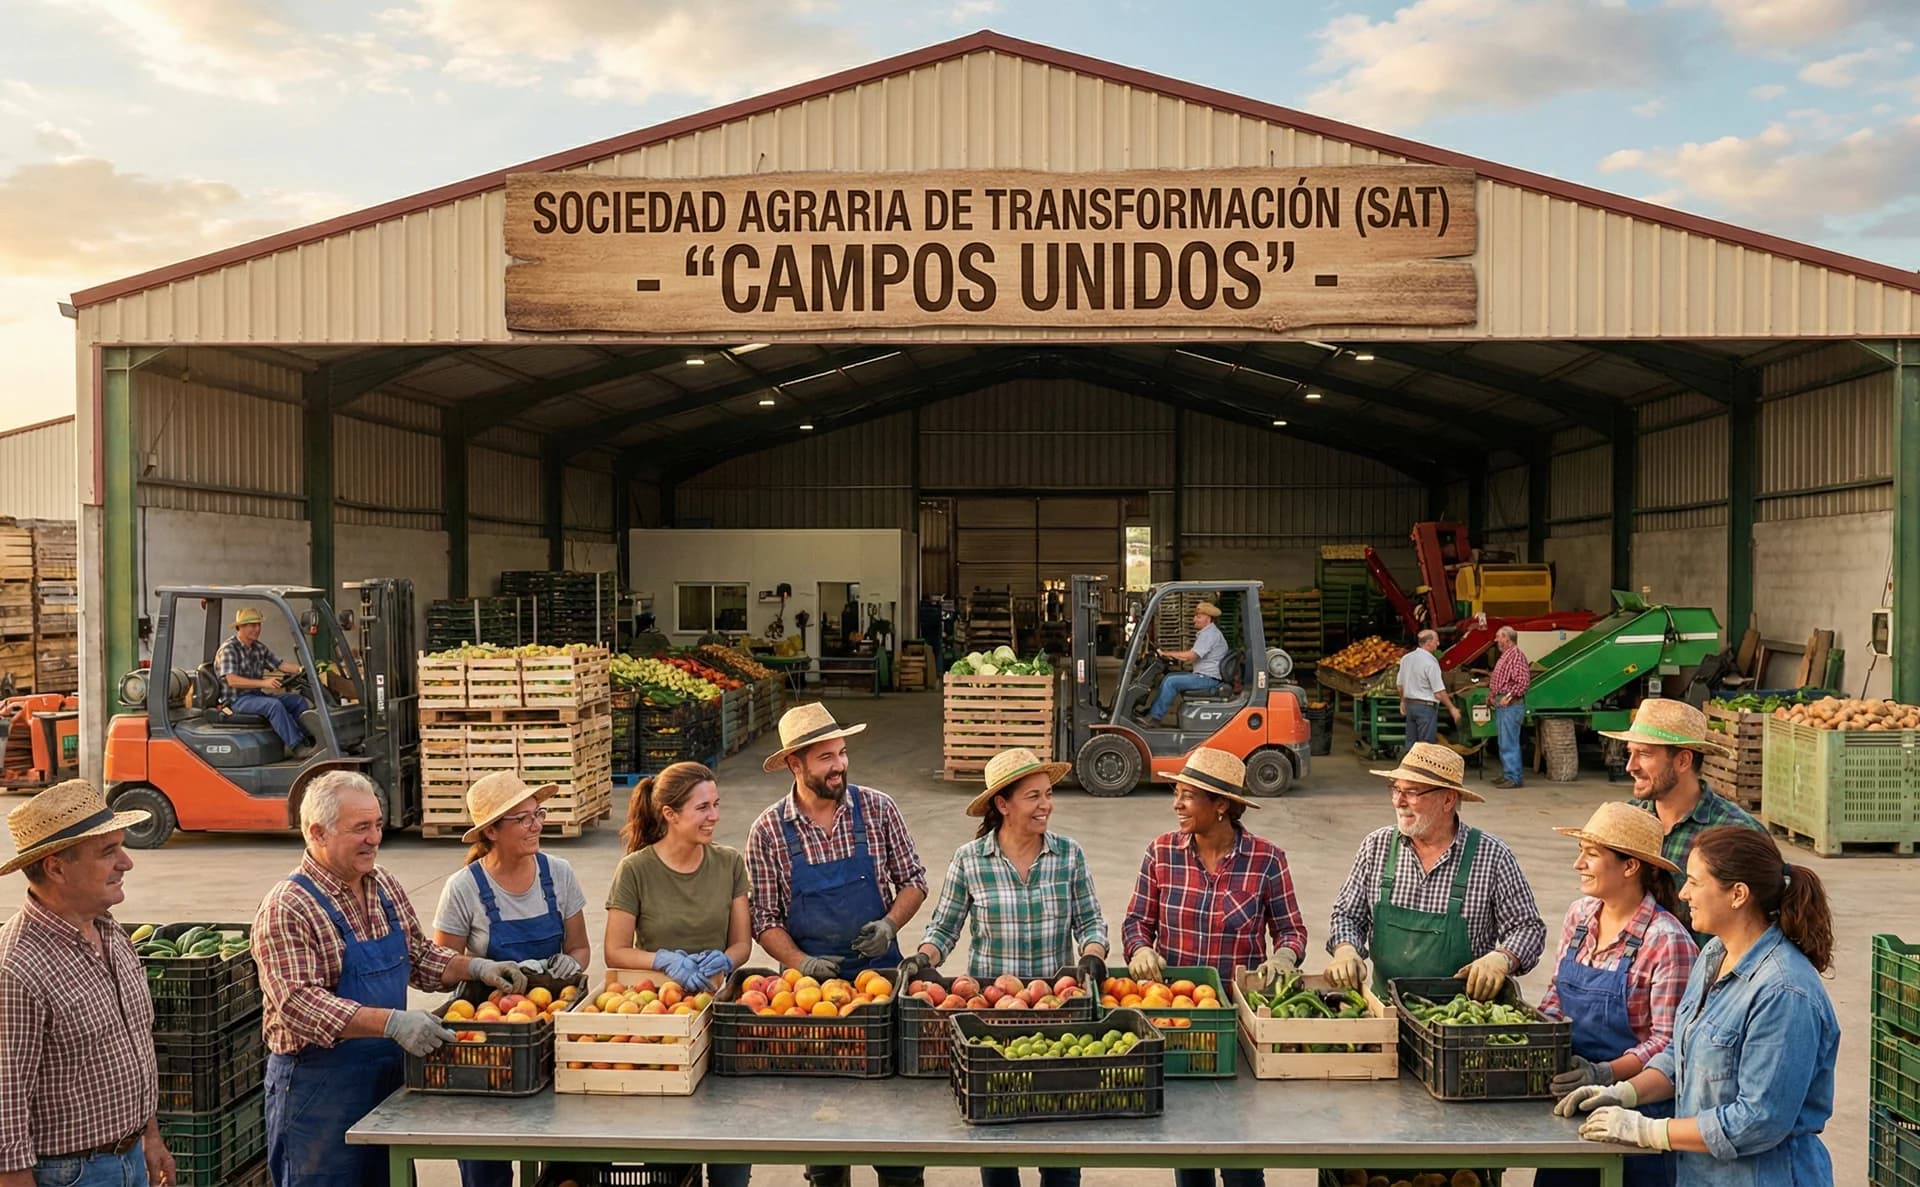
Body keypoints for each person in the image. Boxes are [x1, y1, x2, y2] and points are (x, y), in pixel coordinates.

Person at [254, 770, 528, 1187]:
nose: (374, 838)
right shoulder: (289, 906)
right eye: (360, 828)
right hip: (318, 1095)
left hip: (385, 1085)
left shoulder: (382, 886)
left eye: (378, 825)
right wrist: (392, 1022)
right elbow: (298, 1003)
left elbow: (418, 955)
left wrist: (475, 967)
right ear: (317, 832)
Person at [1556, 826, 1839, 1184]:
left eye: (1694, 882)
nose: (1684, 893)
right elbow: (1680, 1055)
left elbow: (1758, 1120)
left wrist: (1651, 1131)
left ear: (1737, 894)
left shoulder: (1784, 992)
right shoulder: (1713, 955)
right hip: (1700, 1174)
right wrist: (1622, 1093)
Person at [905, 747, 1106, 1187]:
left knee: (1059, 1146)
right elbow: (944, 929)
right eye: (1033, 796)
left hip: (1057, 1016)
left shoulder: (1068, 855)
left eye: (1048, 794)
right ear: (1003, 803)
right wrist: (923, 958)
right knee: (997, 1142)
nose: (1045, 805)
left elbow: (1091, 921)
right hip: (990, 1020)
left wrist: (1092, 953)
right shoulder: (970, 860)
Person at [746, 704, 928, 1187]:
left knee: (898, 1147)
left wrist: (889, 925)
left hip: (882, 990)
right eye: (826, 758)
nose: (840, 765)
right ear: (795, 764)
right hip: (812, 1006)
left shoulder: (878, 809)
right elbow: (763, 919)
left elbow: (913, 880)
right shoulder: (768, 832)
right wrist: (800, 961)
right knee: (825, 1147)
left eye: (842, 753)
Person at [1121, 747, 1304, 1187]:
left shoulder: (1266, 860)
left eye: (1188, 796)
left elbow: (1291, 930)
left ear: (1221, 805)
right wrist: (1139, 951)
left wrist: (1284, 957)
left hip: (1237, 1025)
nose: (1176, 804)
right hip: (1175, 1019)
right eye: (1176, 794)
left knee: (1241, 1154)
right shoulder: (1162, 853)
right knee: (1191, 1148)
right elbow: (1136, 922)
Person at [0, 779, 174, 1187]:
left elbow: (131, 1043)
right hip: (70, 1174)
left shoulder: (109, 930)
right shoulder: (17, 967)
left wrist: (149, 1136)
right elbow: (4, 1111)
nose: (126, 863)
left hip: (129, 1156)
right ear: (56, 866)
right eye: (108, 852)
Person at [432, 772, 591, 1187]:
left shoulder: (558, 874)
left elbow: (580, 949)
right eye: (522, 819)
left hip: (552, 1030)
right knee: (487, 1161)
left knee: (565, 1157)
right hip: (490, 1044)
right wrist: (483, 969)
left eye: (537, 814)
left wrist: (570, 967)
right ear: (490, 831)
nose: (536, 825)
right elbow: (442, 965)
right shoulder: (463, 889)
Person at [603, 761, 752, 1187]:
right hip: (660, 1024)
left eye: (716, 804)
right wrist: (663, 960)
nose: (714, 816)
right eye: (702, 808)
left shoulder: (728, 863)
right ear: (670, 814)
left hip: (717, 1018)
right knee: (666, 1161)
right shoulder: (636, 870)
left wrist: (726, 960)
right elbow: (615, 951)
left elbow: (742, 944)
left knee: (730, 1162)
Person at [1535, 802, 1698, 1187]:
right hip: (1570, 1103)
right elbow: (1555, 999)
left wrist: (1605, 1074)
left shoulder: (1666, 941)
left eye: (1592, 855)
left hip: (1637, 1115)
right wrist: (1538, 1039)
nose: (1579, 864)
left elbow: (1668, 1043)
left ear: (1630, 866)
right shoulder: (1580, 916)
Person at [1325, 741, 1545, 1001]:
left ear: (1448, 799)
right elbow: (1347, 915)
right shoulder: (1377, 846)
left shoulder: (1492, 856)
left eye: (1412, 792)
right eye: (1395, 789)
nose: (1398, 801)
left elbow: (1528, 928)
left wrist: (1503, 958)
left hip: (1459, 1017)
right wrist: (1345, 948)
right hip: (1385, 1008)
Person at [1602, 700, 1767, 925]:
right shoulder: (1625, 821)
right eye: (1630, 752)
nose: (1630, 766)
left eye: (1644, 754)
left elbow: (1762, 923)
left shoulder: (1736, 831)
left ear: (1683, 760)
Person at [217, 605, 318, 758]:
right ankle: (297, 747)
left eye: (258, 625)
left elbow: (280, 665)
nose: (257, 629)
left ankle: (312, 740)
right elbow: (232, 680)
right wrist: (264, 683)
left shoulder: (258, 648)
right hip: (235, 700)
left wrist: (303, 670)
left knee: (297, 701)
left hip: (256, 696)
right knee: (274, 706)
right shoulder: (229, 649)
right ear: (240, 627)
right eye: (252, 625)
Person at [1145, 600, 1230, 725]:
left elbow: (1190, 656)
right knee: (1170, 677)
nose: (1194, 620)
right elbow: (1193, 657)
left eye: (1198, 617)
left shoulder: (1209, 634)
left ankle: (1154, 718)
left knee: (1170, 681)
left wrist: (1166, 654)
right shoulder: (1208, 633)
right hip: (1206, 676)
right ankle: (1153, 712)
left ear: (1208, 618)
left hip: (1208, 679)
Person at [1396, 629, 1460, 749]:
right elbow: (1439, 692)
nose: (1438, 644)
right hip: (1425, 708)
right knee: (1425, 747)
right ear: (1429, 642)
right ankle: (1422, 768)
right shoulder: (1430, 662)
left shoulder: (1406, 658)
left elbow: (1400, 685)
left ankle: (1410, 767)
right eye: (1436, 640)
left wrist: (1403, 701)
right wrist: (1452, 708)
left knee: (1411, 745)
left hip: (1411, 706)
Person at [1489, 626, 1530, 789]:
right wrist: (1492, 694)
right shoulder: (1506, 656)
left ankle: (1513, 777)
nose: (1496, 640)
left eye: (1499, 637)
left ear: (1507, 639)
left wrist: (1509, 696)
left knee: (1509, 742)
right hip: (1503, 704)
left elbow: (1523, 682)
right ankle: (1508, 774)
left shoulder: (1516, 656)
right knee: (1504, 741)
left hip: (1511, 706)